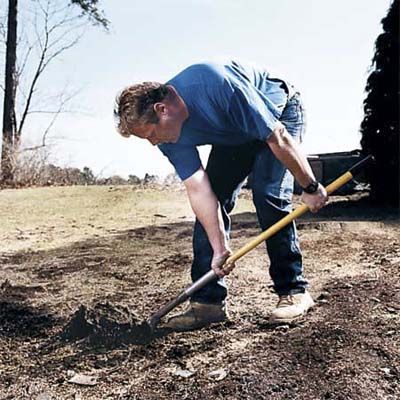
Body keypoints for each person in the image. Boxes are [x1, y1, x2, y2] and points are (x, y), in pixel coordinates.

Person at [114, 60, 328, 331]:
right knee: (212, 203)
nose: (153, 142)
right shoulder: (169, 137)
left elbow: (277, 136)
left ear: (162, 109)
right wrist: (219, 248)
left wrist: (310, 187)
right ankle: (208, 304)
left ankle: (294, 291)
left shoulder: (214, 85)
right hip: (234, 135)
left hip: (278, 114)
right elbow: (199, 189)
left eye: (151, 135)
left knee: (268, 195)